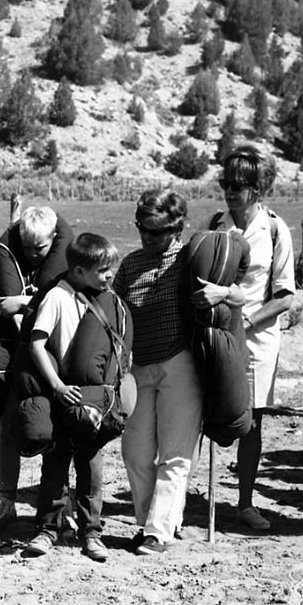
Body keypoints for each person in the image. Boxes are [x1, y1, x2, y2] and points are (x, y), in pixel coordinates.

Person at [114, 188, 226, 556]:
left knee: (176, 452)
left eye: (157, 232)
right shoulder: (130, 265)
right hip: (136, 365)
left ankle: (157, 531)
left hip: (181, 363)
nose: (147, 237)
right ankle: (149, 519)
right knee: (135, 450)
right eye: (141, 228)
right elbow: (113, 312)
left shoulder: (193, 263)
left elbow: (229, 290)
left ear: (177, 228)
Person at [20, 233, 132, 562]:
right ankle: (46, 530)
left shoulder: (105, 299)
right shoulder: (57, 297)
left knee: (91, 466)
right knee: (55, 465)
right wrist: (55, 385)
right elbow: (37, 345)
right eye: (102, 271)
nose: (109, 276)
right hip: (61, 395)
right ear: (80, 271)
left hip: (91, 400)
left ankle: (91, 532)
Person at [0, 204, 73, 536]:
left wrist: (29, 304)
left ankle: (59, 509)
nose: (33, 254)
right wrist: (4, 303)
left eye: (40, 249)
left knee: (54, 430)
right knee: (7, 429)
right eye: (26, 248)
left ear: (54, 240)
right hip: (9, 355)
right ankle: (7, 503)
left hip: (51, 356)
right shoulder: (6, 255)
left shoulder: (69, 261)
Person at [212, 144, 295, 533]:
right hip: (216, 333)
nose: (230, 191)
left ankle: (244, 503)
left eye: (239, 184)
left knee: (251, 421)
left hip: (257, 340)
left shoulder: (275, 229)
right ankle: (186, 500)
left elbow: (285, 296)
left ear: (258, 188)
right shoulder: (216, 224)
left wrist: (245, 324)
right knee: (204, 413)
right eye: (226, 182)